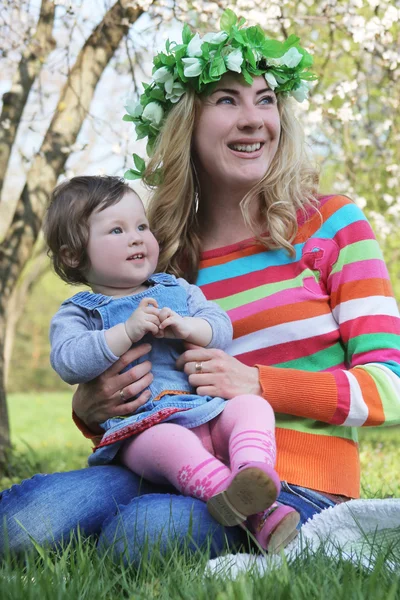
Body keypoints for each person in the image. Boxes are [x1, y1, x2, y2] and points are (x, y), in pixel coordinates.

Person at [1, 9, 400, 565]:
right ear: (185, 121)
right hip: (174, 462)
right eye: (227, 100)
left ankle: (260, 521)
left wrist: (256, 383)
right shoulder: (159, 253)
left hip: (299, 482)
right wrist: (90, 407)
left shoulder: (331, 225)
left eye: (266, 100)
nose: (254, 119)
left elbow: (390, 386)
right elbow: (143, 389)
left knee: (139, 537)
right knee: (22, 524)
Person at [44, 175, 299, 550]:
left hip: (209, 412)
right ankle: (231, 496)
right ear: (73, 254)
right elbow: (68, 360)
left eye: (142, 226)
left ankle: (252, 472)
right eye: (116, 230)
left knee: (251, 405)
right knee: (169, 440)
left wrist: (187, 326)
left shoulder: (175, 289)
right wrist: (125, 333)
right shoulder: (80, 313)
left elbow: (220, 325)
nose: (137, 237)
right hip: (145, 432)